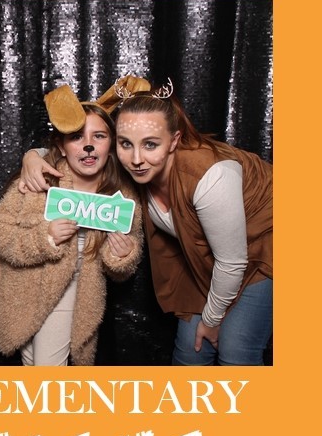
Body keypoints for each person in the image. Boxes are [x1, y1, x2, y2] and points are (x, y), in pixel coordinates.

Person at [20, 81, 272, 367]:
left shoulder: (212, 177)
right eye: (125, 144)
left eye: (150, 144)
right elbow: (72, 151)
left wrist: (212, 320)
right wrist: (32, 157)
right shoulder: (130, 165)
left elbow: (232, 261)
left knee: (235, 350)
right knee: (190, 353)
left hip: (263, 251)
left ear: (174, 141)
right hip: (206, 262)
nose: (136, 159)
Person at [0, 96, 142, 365]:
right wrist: (45, 238)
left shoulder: (122, 195)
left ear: (111, 144)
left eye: (99, 136)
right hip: (21, 290)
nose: (88, 145)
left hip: (71, 289)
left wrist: (124, 254)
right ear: (61, 146)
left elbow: (122, 267)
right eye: (77, 137)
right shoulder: (40, 179)